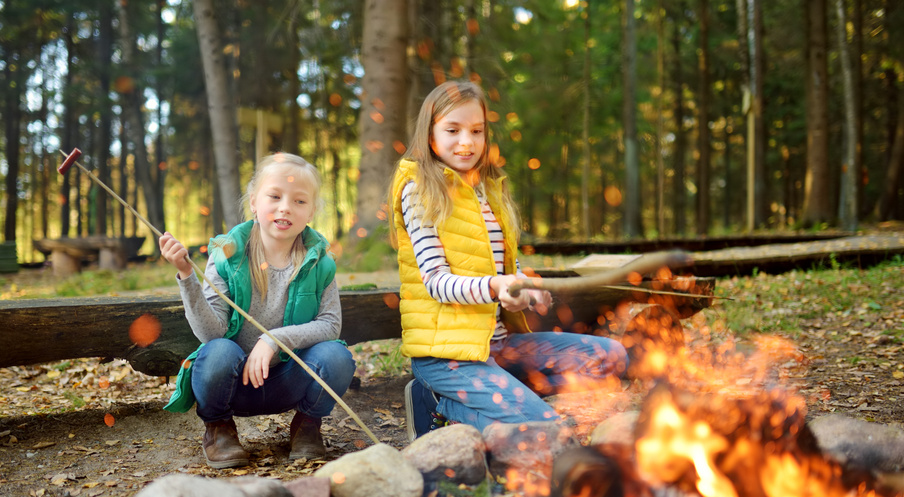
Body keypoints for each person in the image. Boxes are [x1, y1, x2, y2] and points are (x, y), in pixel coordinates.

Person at [389, 80, 628, 441]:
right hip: (448, 357)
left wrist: (526, 289)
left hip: (498, 345)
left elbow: (501, 270)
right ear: (430, 133)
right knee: (549, 432)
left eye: (476, 131)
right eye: (452, 130)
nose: (466, 142)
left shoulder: (486, 189)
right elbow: (437, 283)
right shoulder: (420, 190)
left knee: (612, 358)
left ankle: (495, 395)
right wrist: (496, 287)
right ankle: (441, 401)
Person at [160, 152, 356, 468]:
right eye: (275, 196)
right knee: (218, 353)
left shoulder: (320, 262)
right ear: (254, 201)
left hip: (287, 380)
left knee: (336, 356)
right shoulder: (226, 255)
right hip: (233, 383)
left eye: (299, 201)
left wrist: (274, 339)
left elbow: (330, 325)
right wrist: (186, 274)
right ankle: (219, 427)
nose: (285, 207)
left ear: (312, 212)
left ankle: (307, 424)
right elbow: (213, 333)